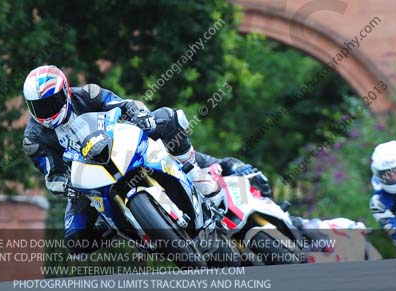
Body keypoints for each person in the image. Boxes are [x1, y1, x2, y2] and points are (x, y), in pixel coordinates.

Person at [22, 65, 269, 254]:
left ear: (65, 91)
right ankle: (118, 225)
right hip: (85, 181)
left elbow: (122, 104)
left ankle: (191, 168)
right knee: (75, 241)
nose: (47, 111)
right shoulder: (33, 139)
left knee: (167, 118)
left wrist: (140, 115)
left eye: (51, 102)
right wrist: (66, 186)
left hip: (116, 148)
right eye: (38, 106)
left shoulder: (88, 94)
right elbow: (51, 173)